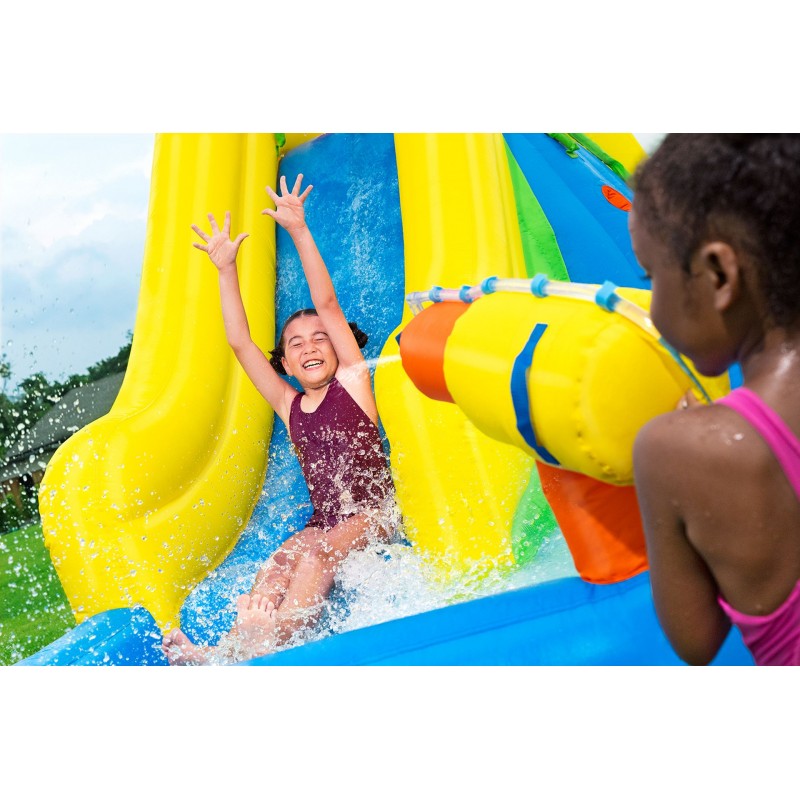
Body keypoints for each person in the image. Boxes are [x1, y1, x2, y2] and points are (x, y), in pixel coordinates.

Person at [162, 174, 399, 665]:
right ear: (286, 364)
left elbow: (327, 304)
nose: (309, 346)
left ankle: (276, 639)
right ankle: (224, 652)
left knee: (317, 554)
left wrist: (299, 230)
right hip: (326, 519)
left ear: (338, 347)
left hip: (376, 514)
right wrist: (226, 269)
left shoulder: (354, 380)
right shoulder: (289, 406)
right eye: (296, 344)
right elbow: (240, 343)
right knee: (279, 562)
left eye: (320, 338)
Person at [629, 134, 800, 666]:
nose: (652, 306)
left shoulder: (678, 451)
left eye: (651, 275)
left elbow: (695, 640)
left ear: (719, 274)